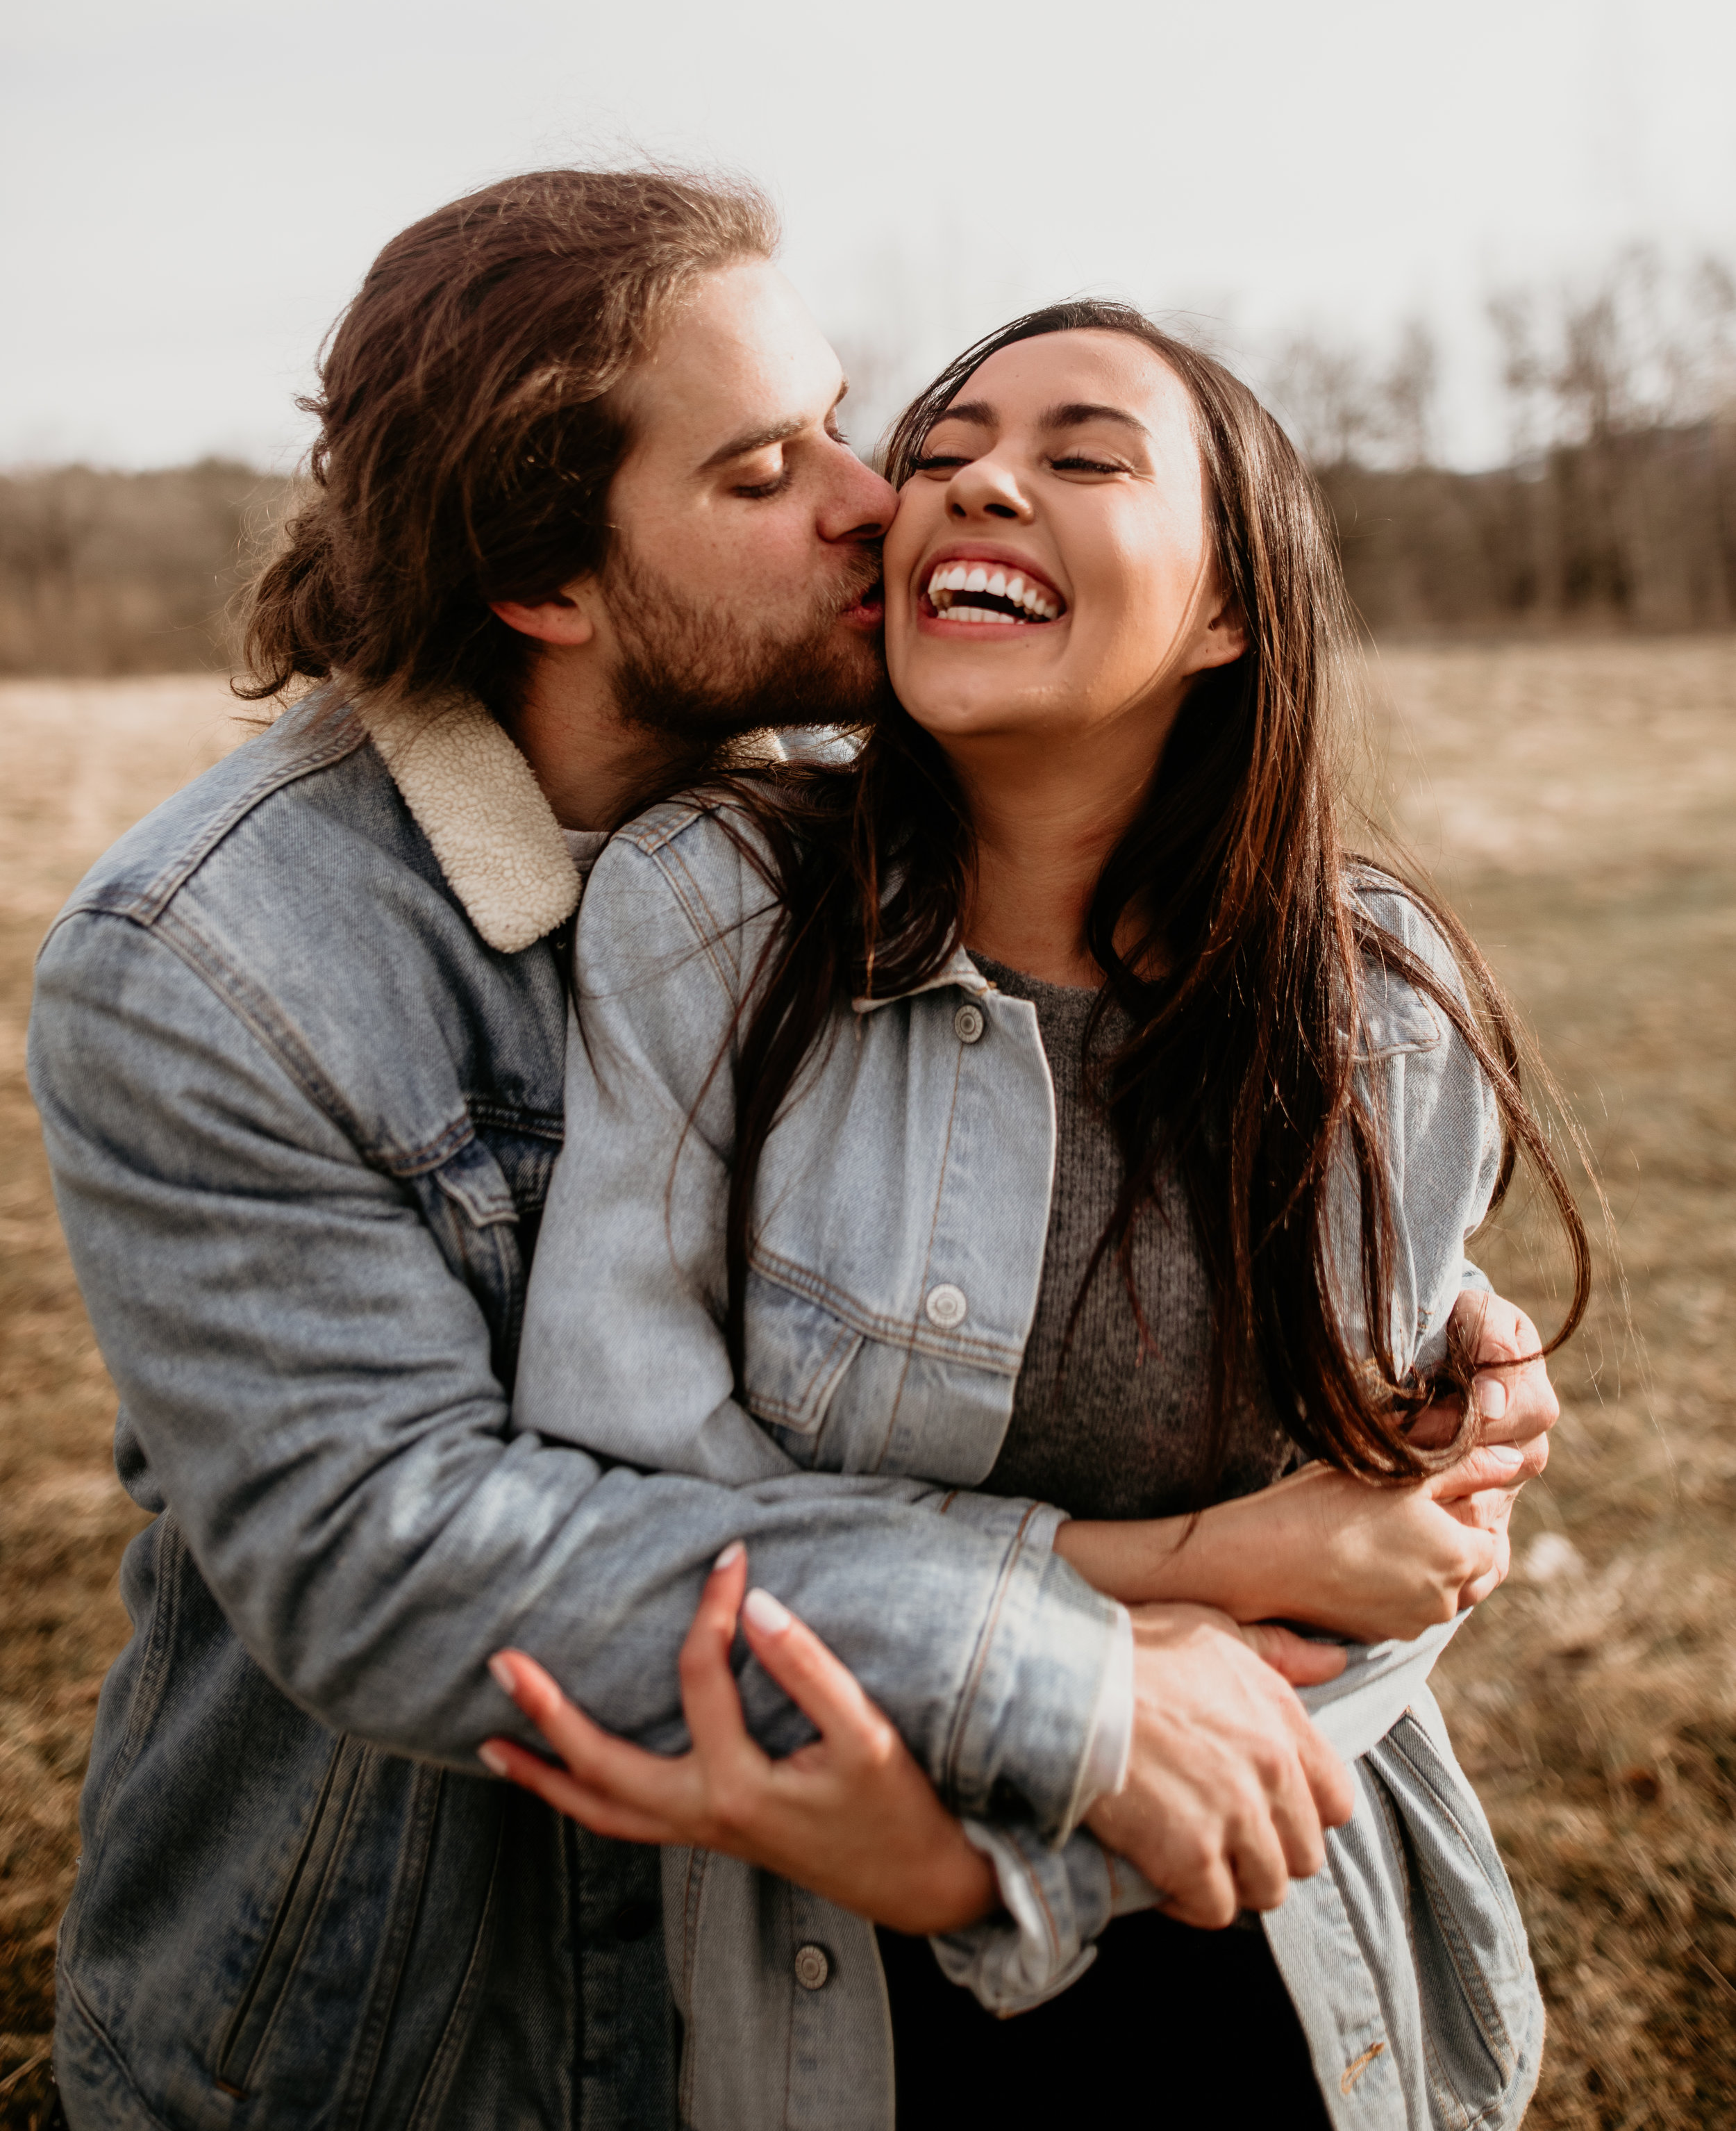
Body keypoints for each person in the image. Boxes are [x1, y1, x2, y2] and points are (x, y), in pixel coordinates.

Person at [28, 172, 1483, 2131]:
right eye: (759, 473)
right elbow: (388, 1554)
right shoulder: (213, 960)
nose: (878, 499)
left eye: (839, 418)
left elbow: (1054, 1145)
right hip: (422, 2020)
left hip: (865, 1978)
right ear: (546, 581)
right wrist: (1069, 1632)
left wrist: (1441, 1308)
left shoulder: (855, 820)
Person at [485, 301, 1588, 2129]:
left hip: (1272, 1947)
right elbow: (632, 1490)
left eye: (1082, 455)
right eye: (938, 452)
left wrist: (1008, 1879)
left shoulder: (1381, 1007)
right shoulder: (716, 910)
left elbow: (1391, 1567)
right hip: (823, 1968)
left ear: (1229, 610)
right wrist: (1187, 1569)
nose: (974, 479)